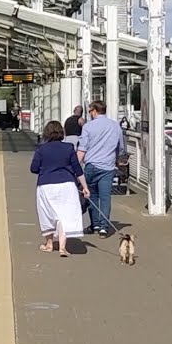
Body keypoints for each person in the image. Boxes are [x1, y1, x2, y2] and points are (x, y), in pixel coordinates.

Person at [30, 120, 90, 257]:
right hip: (67, 186)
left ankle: (49, 244)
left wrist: (45, 168)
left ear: (46, 133)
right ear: (61, 133)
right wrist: (85, 187)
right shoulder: (68, 148)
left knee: (47, 214)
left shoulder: (41, 149)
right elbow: (78, 169)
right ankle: (62, 247)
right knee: (64, 215)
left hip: (46, 185)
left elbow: (33, 169)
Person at [76, 100, 127, 237]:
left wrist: (74, 166)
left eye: (90, 111)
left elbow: (82, 149)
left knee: (91, 195)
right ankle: (104, 228)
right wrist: (116, 159)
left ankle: (95, 224)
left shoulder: (88, 127)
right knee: (105, 198)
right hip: (108, 167)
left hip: (91, 166)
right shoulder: (115, 126)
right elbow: (120, 147)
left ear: (94, 111)